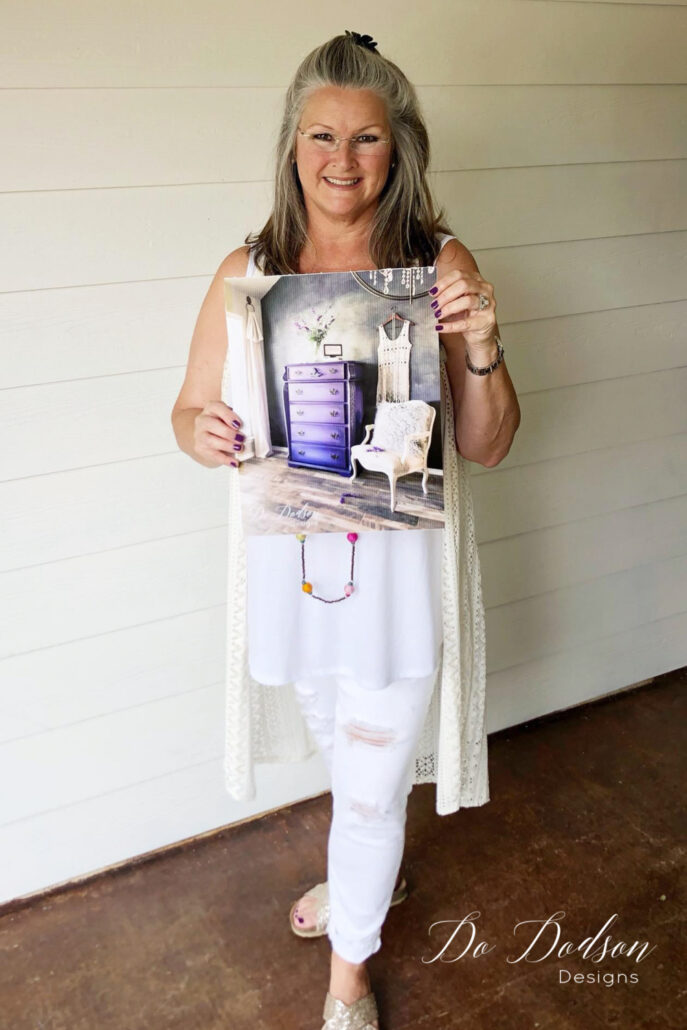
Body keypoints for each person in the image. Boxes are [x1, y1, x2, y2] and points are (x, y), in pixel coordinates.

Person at [171, 29, 520, 1030]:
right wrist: (204, 427)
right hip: (298, 569)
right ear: (292, 143)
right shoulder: (249, 273)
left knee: (370, 782)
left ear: (399, 147)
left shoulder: (434, 263)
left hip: (402, 580)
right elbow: (188, 413)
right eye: (321, 135)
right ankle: (369, 871)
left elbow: (489, 445)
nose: (341, 160)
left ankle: (349, 979)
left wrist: (484, 349)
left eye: (366, 139)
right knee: (345, 752)